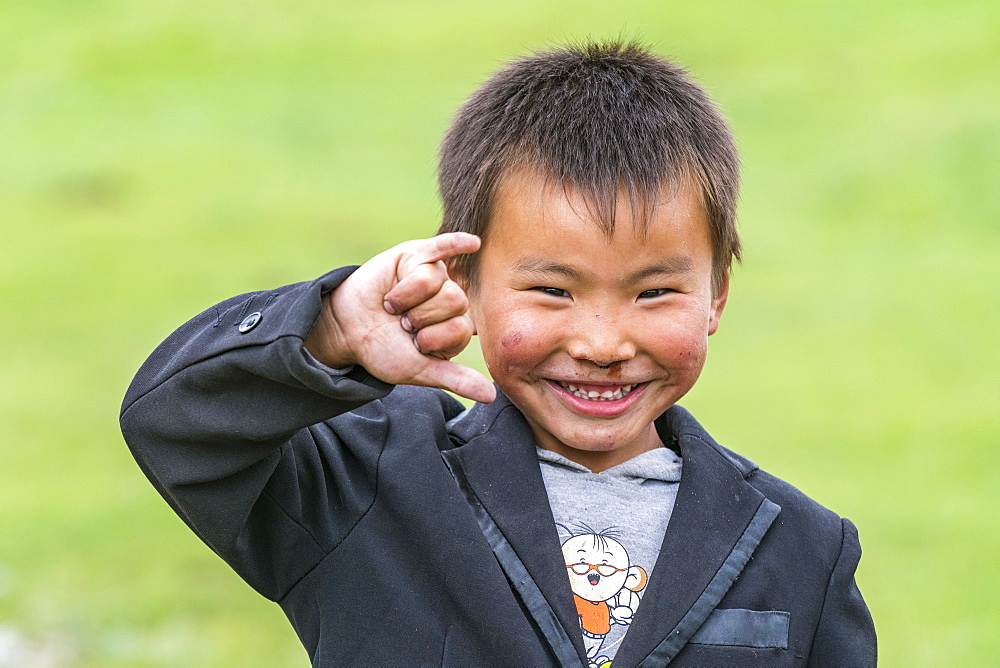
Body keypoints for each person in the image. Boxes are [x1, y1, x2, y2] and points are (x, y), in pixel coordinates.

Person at [120, 40, 876, 666]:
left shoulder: (803, 547)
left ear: (716, 294)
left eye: (653, 294)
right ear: (467, 285)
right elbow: (175, 425)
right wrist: (331, 328)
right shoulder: (370, 482)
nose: (603, 343)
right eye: (552, 291)